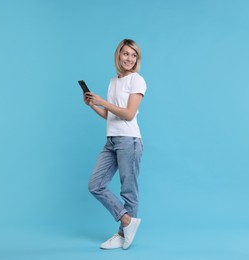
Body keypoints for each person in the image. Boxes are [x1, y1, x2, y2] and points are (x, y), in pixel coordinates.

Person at [84, 39, 146, 250]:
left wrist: (103, 102)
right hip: (111, 140)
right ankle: (127, 221)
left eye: (133, 55)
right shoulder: (113, 81)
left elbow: (128, 115)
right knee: (95, 184)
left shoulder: (137, 81)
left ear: (137, 59)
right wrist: (94, 104)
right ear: (118, 55)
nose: (129, 58)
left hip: (129, 140)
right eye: (125, 54)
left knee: (128, 190)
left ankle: (123, 235)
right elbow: (110, 115)